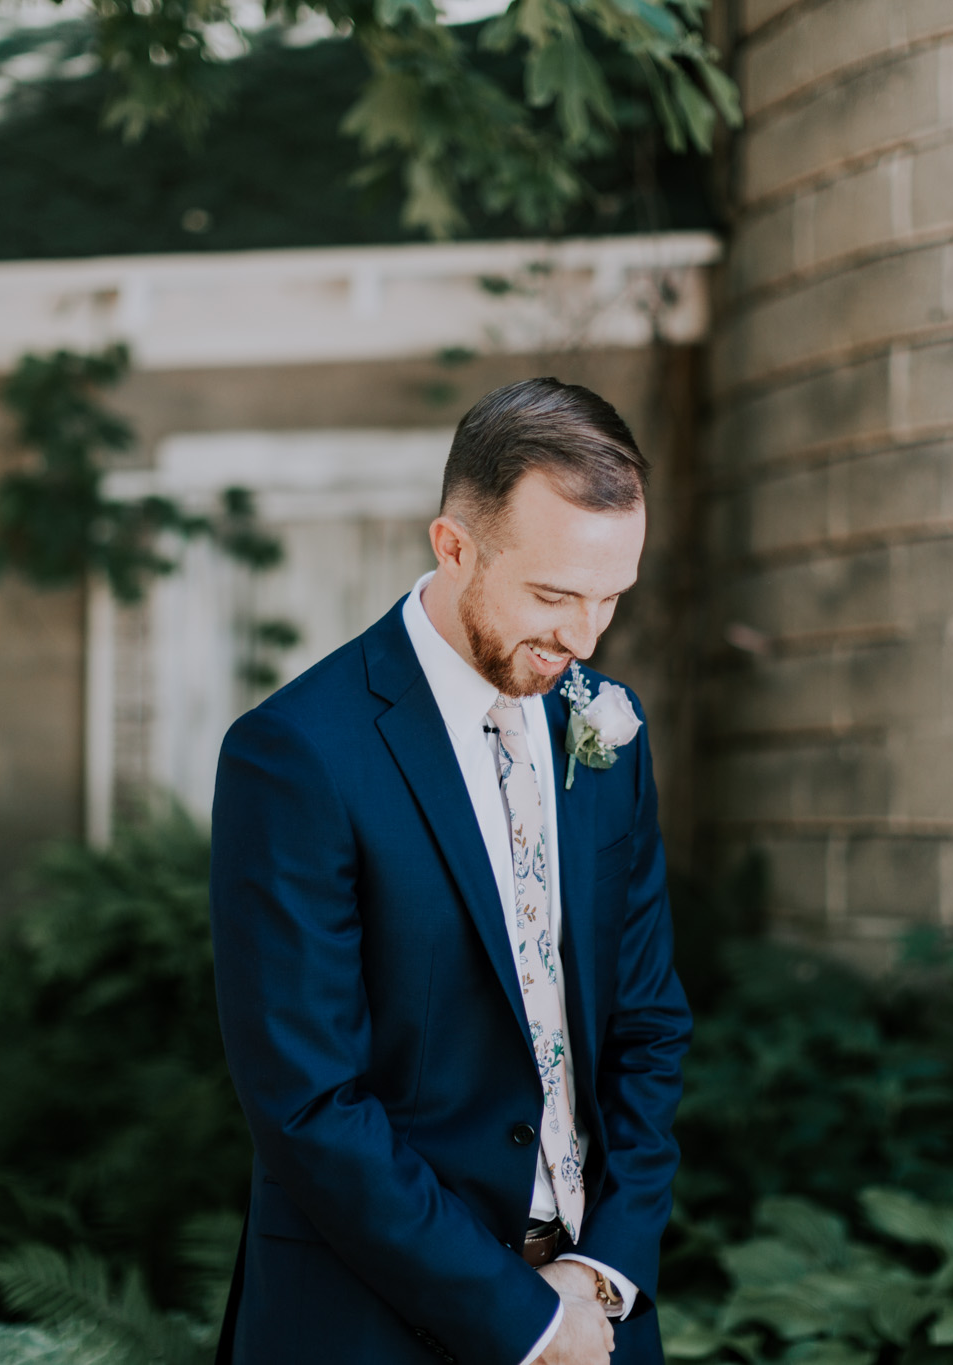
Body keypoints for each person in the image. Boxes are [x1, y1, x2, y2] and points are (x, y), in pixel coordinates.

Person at [208, 377, 692, 1365]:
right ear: (453, 546)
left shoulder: (604, 727)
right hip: (370, 1323)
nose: (583, 640)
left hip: (595, 1313)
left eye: (609, 599)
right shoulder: (296, 754)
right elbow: (306, 1102)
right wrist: (524, 1320)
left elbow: (645, 1020)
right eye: (554, 595)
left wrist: (602, 1271)